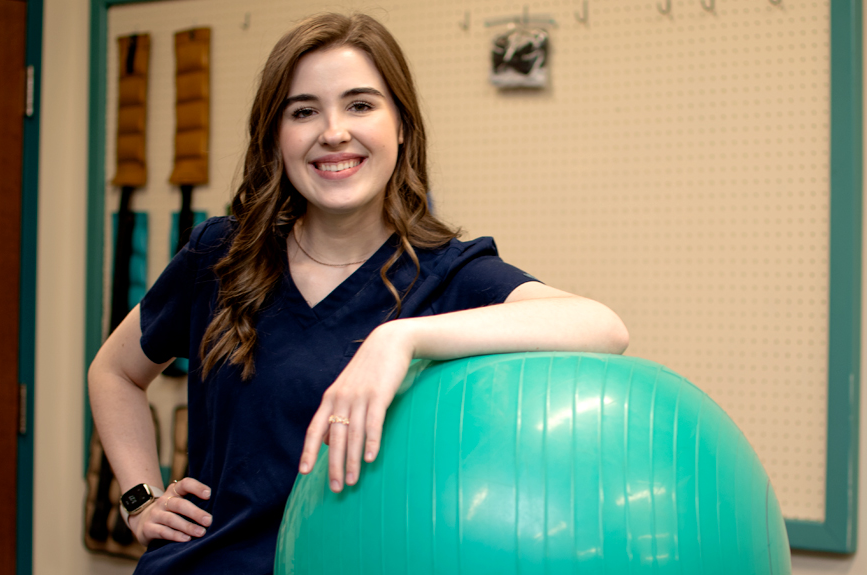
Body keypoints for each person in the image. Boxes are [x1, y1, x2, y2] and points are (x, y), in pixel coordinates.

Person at [87, 12, 628, 574]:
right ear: (277, 136)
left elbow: (602, 327)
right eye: (304, 111)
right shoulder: (219, 254)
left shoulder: (448, 275)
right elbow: (114, 373)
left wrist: (401, 338)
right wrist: (139, 499)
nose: (334, 131)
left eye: (361, 104)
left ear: (400, 125)